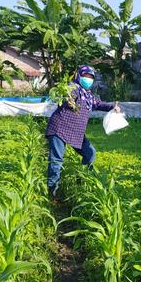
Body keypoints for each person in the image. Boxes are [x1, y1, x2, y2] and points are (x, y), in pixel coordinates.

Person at [45, 65, 120, 199]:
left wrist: (112, 106)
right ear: (79, 75)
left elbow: (97, 104)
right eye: (85, 76)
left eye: (91, 77)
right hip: (60, 128)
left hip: (76, 132)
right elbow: (65, 96)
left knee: (90, 153)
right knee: (56, 161)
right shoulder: (72, 88)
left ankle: (80, 181)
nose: (88, 79)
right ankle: (52, 192)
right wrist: (68, 97)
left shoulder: (88, 94)